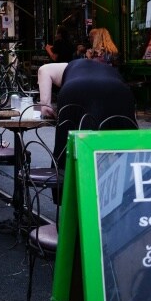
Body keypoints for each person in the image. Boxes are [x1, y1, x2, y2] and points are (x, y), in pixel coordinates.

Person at [38, 58, 136, 203]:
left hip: (75, 89)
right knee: (124, 145)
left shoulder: (67, 66)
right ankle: (128, 193)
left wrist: (45, 104)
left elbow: (43, 70)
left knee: (67, 147)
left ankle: (67, 199)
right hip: (118, 89)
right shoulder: (106, 70)